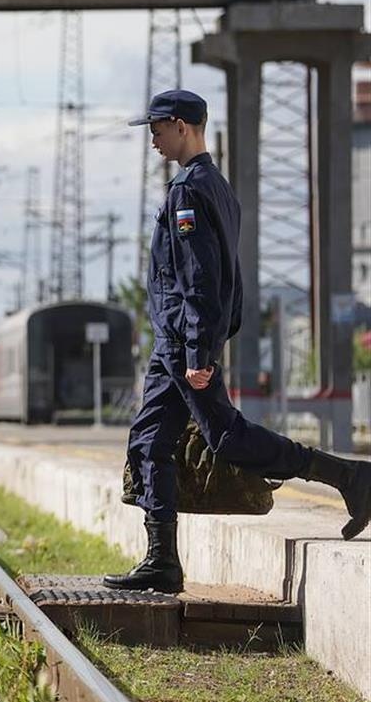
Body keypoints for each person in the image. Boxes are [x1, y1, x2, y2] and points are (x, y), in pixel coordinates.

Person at [105, 90, 371, 594]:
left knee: (227, 438)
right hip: (177, 343)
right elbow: (230, 277)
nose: (154, 140)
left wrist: (200, 350)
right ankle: (161, 560)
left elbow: (203, 277)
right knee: (148, 442)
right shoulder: (217, 187)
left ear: (182, 126)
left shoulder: (190, 191)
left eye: (157, 129)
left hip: (183, 343)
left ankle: (350, 477)